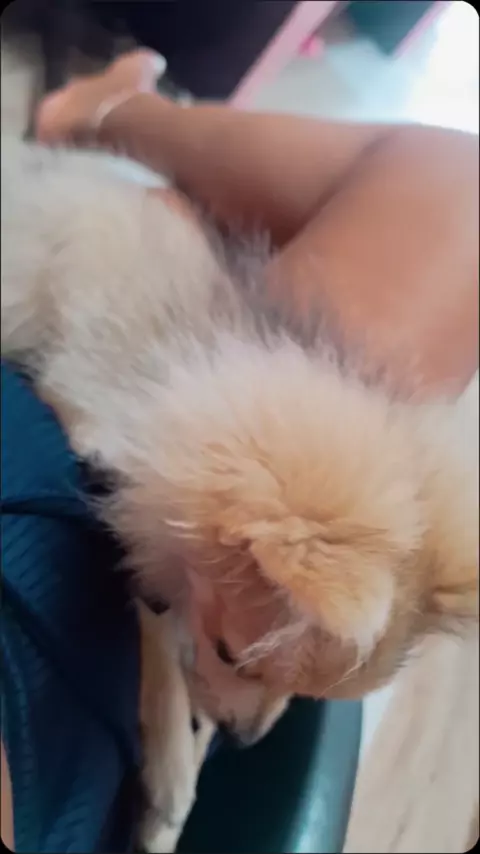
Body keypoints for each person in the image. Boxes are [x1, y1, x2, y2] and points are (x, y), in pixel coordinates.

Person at [2, 48, 478, 852]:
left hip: (52, 698)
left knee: (454, 183)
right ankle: (109, 114)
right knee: (459, 186)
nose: (253, 724)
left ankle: (107, 114)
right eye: (244, 664)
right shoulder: (245, 531)